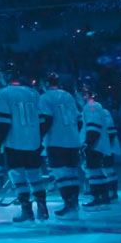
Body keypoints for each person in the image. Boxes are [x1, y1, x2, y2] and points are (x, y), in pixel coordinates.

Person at [0, 62, 47, 224]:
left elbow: (3, 122)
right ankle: (42, 208)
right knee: (35, 175)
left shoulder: (2, 94)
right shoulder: (33, 93)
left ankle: (26, 211)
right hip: (33, 141)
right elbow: (42, 120)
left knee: (17, 176)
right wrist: (39, 139)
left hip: (14, 141)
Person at [38, 73, 83, 220]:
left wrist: (39, 138)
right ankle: (74, 205)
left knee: (61, 174)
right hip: (73, 140)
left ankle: (68, 206)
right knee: (72, 174)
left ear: (45, 83)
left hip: (56, 140)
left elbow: (47, 118)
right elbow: (78, 119)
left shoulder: (45, 97)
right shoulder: (68, 96)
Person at [80, 84, 112, 210]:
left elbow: (94, 126)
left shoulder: (91, 107)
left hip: (95, 144)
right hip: (96, 143)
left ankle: (97, 198)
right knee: (97, 171)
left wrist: (88, 143)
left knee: (93, 171)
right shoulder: (93, 106)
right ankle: (104, 198)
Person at [103, 106, 120, 202]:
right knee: (106, 170)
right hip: (103, 146)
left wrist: (106, 148)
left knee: (108, 169)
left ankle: (112, 192)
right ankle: (110, 192)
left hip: (106, 147)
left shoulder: (104, 113)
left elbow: (111, 132)